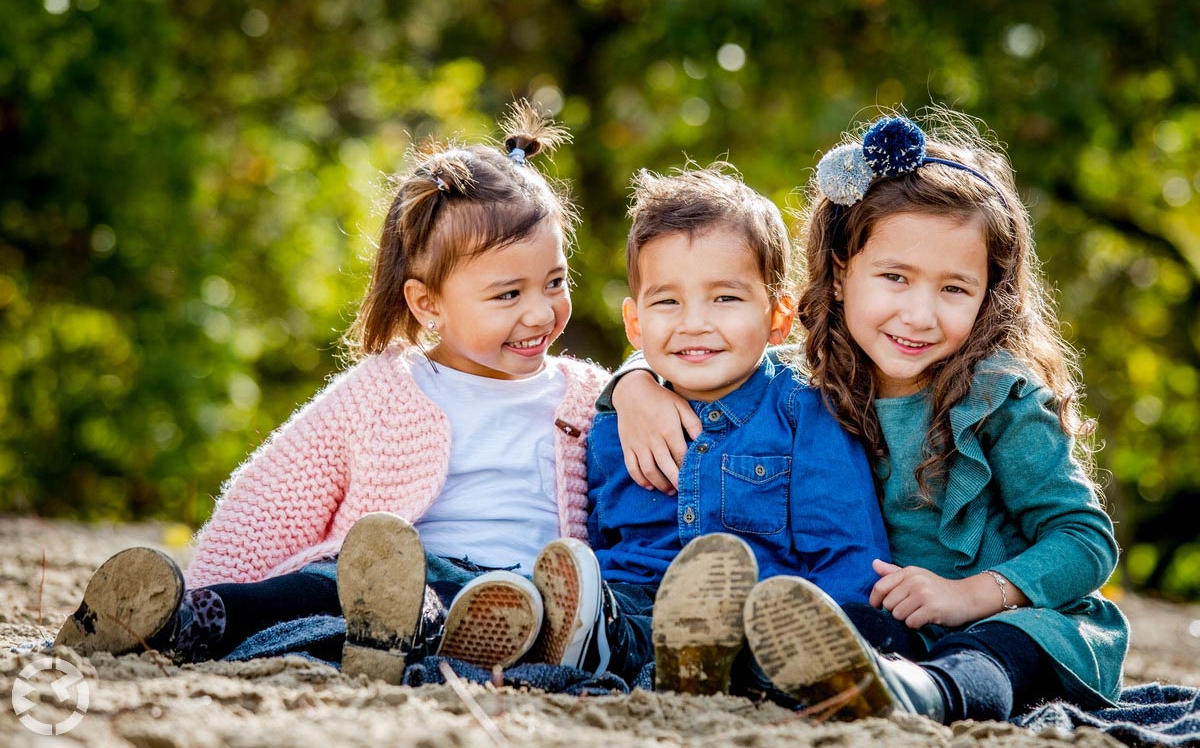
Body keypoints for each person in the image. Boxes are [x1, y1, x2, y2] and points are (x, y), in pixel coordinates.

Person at [55, 102, 613, 685]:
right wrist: (209, 580)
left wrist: (642, 385)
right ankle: (180, 619)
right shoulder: (389, 389)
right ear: (428, 305)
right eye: (508, 295)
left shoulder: (592, 397)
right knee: (309, 593)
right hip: (381, 577)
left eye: (555, 282)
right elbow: (274, 493)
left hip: (512, 601)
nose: (541, 311)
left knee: (451, 616)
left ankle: (399, 634)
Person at [609, 111, 1128, 723]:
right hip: (891, 624)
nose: (919, 314)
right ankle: (855, 680)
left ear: (991, 294)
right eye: (894, 278)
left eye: (954, 289)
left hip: (1019, 625)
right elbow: (701, 362)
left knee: (988, 654)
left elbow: (1085, 540)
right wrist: (632, 382)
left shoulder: (998, 400)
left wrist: (971, 595)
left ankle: (926, 696)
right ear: (837, 275)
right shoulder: (800, 379)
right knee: (818, 630)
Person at [584, 164, 889, 695]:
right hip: (634, 605)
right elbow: (599, 533)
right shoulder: (617, 421)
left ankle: (702, 665)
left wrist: (838, 635)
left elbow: (846, 548)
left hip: (759, 615)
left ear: (778, 316)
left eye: (725, 298)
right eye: (667, 301)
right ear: (635, 324)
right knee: (601, 608)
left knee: (764, 641)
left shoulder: (801, 409)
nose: (694, 321)